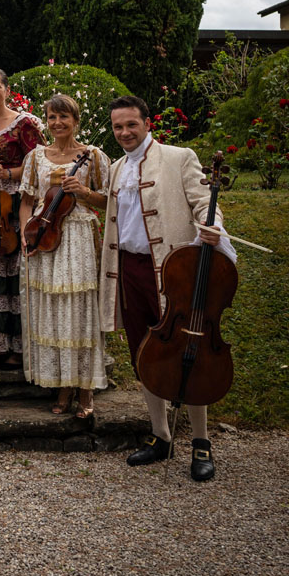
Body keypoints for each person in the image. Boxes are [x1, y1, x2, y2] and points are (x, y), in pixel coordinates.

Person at [99, 95, 236, 481]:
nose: (125, 132)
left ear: (147, 123)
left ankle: (201, 442)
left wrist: (213, 226)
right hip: (128, 270)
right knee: (146, 351)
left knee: (188, 349)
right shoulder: (116, 168)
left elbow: (204, 202)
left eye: (131, 124)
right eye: (118, 126)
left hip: (172, 270)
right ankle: (160, 436)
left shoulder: (179, 157)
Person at [18, 93, 110, 419]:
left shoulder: (94, 156)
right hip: (44, 234)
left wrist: (83, 192)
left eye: (64, 117)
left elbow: (109, 202)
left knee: (79, 309)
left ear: (75, 121)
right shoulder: (35, 157)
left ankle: (85, 387)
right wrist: (25, 233)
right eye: (52, 117)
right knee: (52, 309)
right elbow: (27, 200)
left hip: (78, 237)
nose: (58, 123)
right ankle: (62, 385)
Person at [0, 67, 44, 365]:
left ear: (6, 90)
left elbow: (41, 162)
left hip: (14, 202)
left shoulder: (23, 123)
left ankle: (19, 347)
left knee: (15, 274)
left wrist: (9, 173)